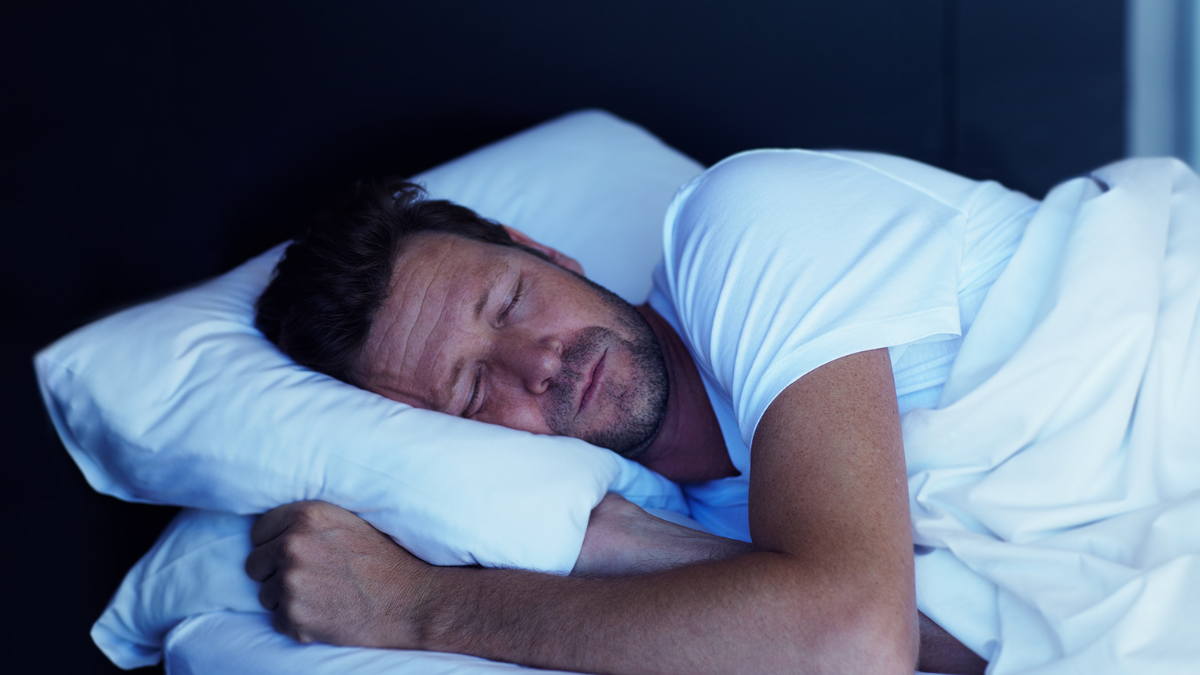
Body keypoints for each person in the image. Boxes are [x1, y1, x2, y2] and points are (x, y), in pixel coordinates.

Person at [244, 149, 1050, 675]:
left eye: (514, 300)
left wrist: (416, 607)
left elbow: (853, 638)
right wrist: (646, 547)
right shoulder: (718, 531)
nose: (538, 359)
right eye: (471, 388)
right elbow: (988, 639)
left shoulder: (744, 225)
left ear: (547, 252)